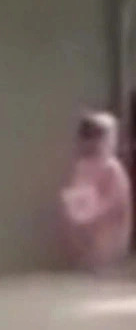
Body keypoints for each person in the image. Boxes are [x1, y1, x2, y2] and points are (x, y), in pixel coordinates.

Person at [59, 112, 132, 272]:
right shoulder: (82, 166)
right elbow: (77, 190)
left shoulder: (112, 168)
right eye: (88, 138)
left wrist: (94, 210)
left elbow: (117, 200)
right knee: (85, 264)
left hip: (107, 229)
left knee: (103, 265)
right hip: (84, 230)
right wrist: (73, 205)